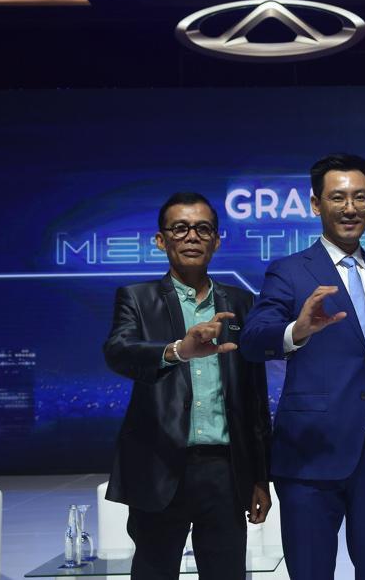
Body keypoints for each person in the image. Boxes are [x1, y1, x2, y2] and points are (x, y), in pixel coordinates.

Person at [240, 153, 365, 580]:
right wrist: (297, 330)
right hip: (309, 454)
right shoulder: (289, 271)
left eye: (360, 197)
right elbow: (252, 340)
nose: (350, 208)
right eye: (338, 197)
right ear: (315, 204)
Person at [103, 192, 272, 580]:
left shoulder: (241, 303)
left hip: (225, 470)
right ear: (161, 240)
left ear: (217, 240)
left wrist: (260, 477)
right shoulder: (137, 298)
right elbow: (118, 352)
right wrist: (178, 350)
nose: (192, 236)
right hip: (159, 464)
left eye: (203, 229)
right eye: (180, 228)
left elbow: (254, 397)